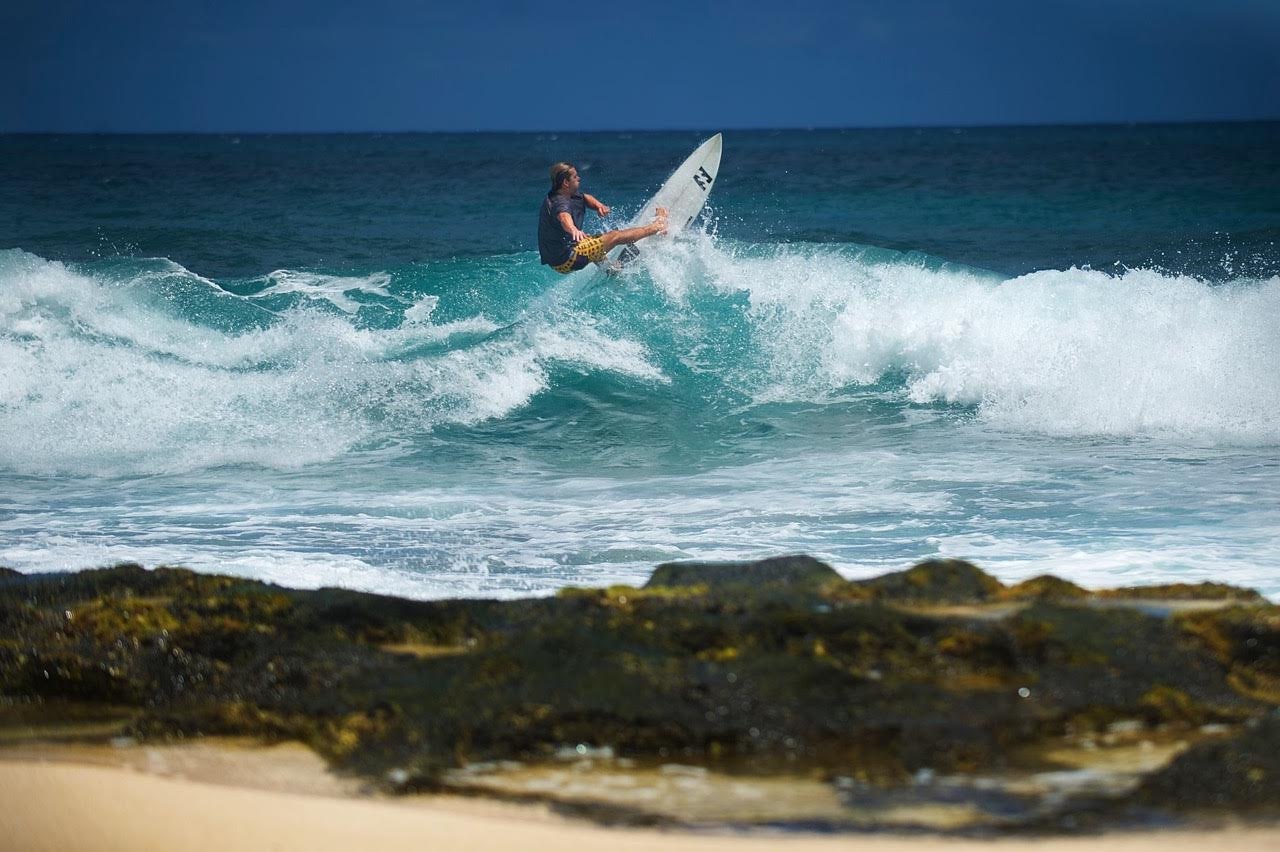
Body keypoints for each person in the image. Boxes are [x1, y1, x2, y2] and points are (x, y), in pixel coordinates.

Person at [537, 162, 667, 274]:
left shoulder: (565, 193)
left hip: (559, 259)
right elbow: (564, 217)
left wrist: (598, 206)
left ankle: (611, 269)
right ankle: (656, 227)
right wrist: (573, 229)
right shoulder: (559, 202)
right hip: (568, 259)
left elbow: (585, 198)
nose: (579, 178)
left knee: (594, 240)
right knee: (615, 236)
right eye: (575, 177)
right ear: (566, 182)